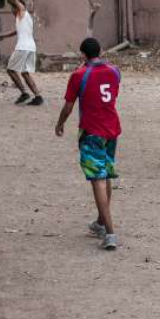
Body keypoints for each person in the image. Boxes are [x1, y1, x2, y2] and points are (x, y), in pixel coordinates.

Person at [56, 36, 121, 251]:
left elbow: (68, 106)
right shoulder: (114, 72)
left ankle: (110, 232)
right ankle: (101, 222)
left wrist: (60, 124)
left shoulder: (79, 76)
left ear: (83, 55)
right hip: (111, 130)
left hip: (92, 131)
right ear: (101, 51)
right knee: (107, 174)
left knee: (98, 179)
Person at [0, 0, 42, 105]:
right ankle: (38, 97)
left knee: (10, 70)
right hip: (30, 47)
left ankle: (24, 93)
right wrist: (3, 36)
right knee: (25, 73)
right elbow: (17, 31)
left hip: (23, 47)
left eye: (12, 6)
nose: (11, 9)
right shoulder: (22, 18)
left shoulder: (22, 10)